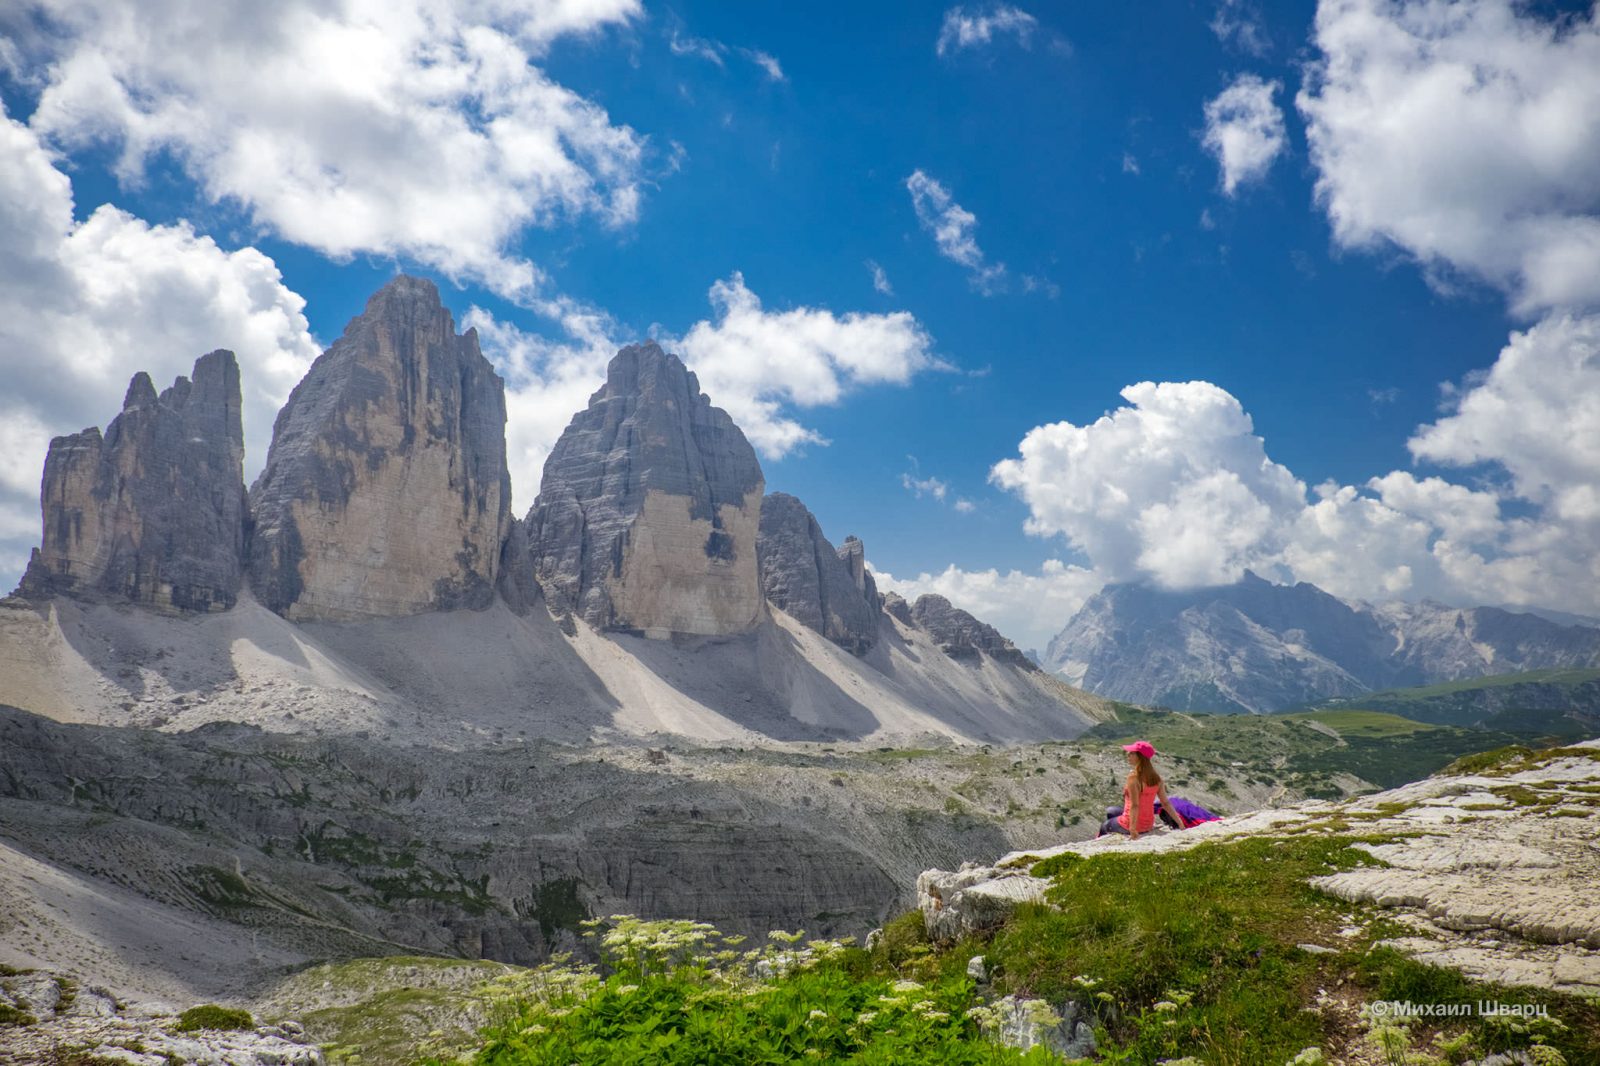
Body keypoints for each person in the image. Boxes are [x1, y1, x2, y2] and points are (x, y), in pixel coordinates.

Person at [1096, 740, 1186, 839]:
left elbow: (1135, 805)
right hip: (1148, 824)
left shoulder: (1133, 778)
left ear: (1140, 757)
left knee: (1104, 825)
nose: (1128, 755)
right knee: (1112, 811)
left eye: (1132, 753)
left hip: (1132, 825)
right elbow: (1165, 803)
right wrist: (1180, 823)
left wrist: (1133, 829)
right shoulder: (1157, 778)